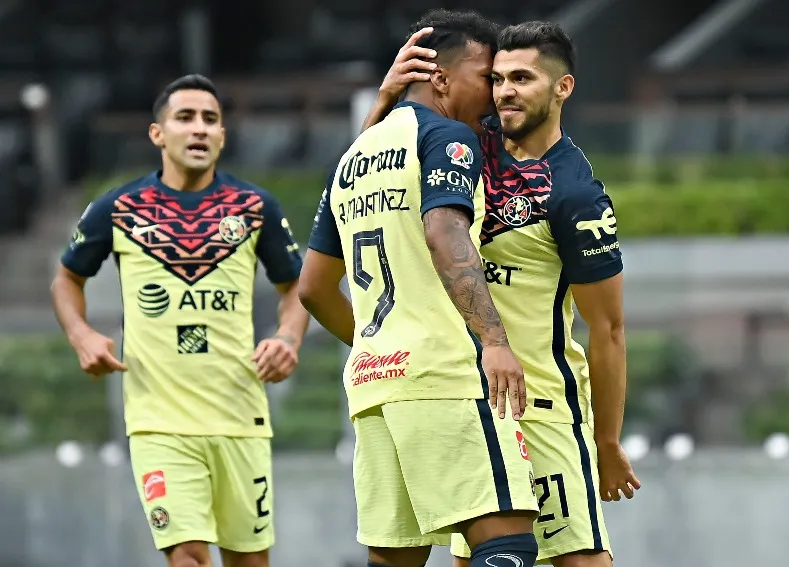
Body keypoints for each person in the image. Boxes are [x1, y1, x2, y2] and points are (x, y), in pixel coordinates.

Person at [363, 20, 641, 567]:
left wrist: (607, 442)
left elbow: (608, 329)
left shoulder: (576, 193)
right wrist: (389, 100)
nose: (504, 91)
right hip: (471, 408)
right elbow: (374, 176)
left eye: (522, 78)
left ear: (562, 88)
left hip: (541, 411)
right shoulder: (467, 141)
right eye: (497, 78)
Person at [298, 10, 540, 567]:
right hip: (444, 374)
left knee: (395, 560)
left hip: (374, 384)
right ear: (440, 78)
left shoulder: (354, 156)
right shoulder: (448, 137)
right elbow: (444, 231)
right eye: (486, 76)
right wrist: (494, 340)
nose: (495, 92)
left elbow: (313, 287)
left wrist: (381, 349)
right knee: (506, 541)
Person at [50, 74, 310, 567]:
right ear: (157, 133)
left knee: (250, 561)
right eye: (185, 117)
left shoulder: (254, 207)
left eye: (210, 120)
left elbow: (296, 286)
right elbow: (66, 279)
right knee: (188, 555)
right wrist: (81, 334)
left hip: (240, 416)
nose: (199, 129)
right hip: (159, 421)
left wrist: (288, 338)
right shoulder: (119, 207)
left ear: (222, 136)